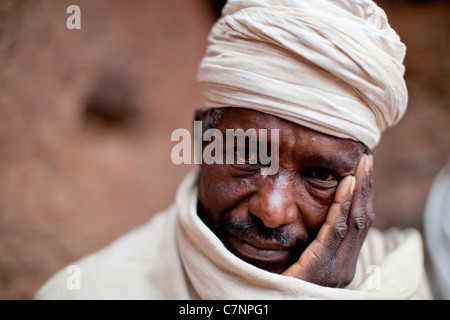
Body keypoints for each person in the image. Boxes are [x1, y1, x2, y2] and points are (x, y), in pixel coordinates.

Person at [35, 0, 431, 299]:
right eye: (246, 155)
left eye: (321, 175)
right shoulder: (89, 292)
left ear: (362, 181)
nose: (273, 211)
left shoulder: (401, 283)